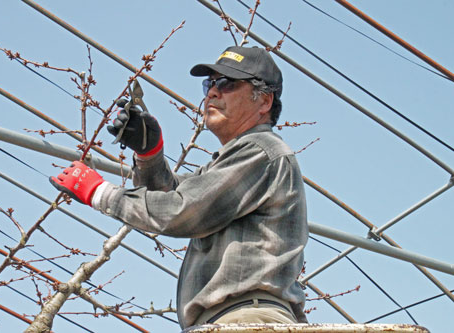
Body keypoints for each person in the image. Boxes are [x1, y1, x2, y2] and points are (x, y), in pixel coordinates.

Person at [50, 46, 309, 329]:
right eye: (209, 83)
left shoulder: (263, 151)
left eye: (226, 83)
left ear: (264, 101)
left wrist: (100, 193)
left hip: (246, 318)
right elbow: (175, 197)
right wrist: (150, 157)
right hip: (230, 318)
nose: (212, 92)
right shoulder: (232, 163)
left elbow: (181, 211)